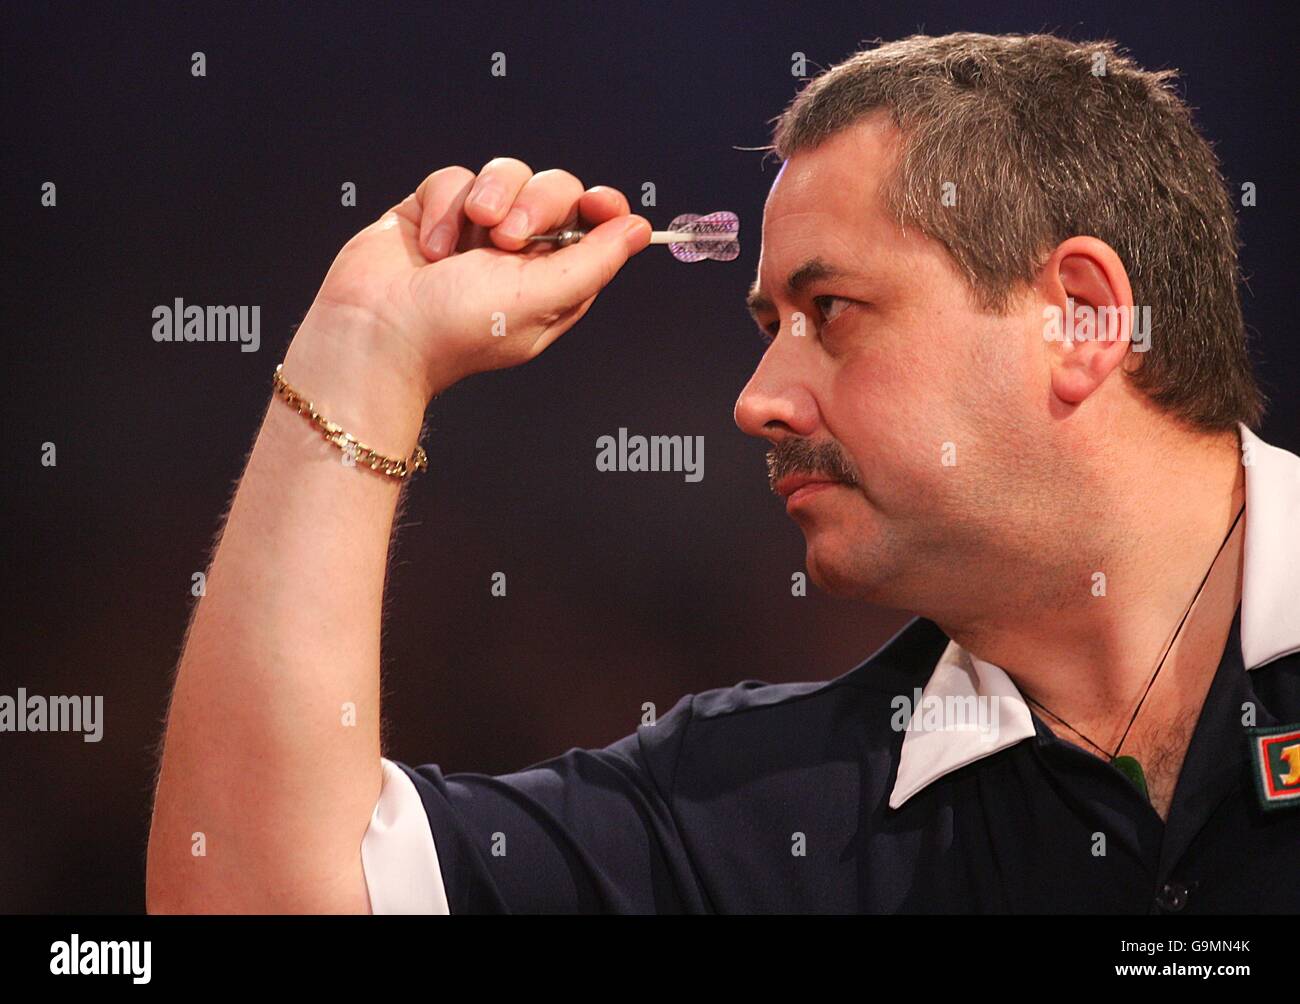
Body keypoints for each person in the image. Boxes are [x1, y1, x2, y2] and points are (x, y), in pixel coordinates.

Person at [146, 32, 1300, 914]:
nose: (754, 402)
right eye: (767, 321)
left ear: (1084, 318)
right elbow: (253, 891)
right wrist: (361, 354)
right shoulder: (753, 803)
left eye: (830, 309)